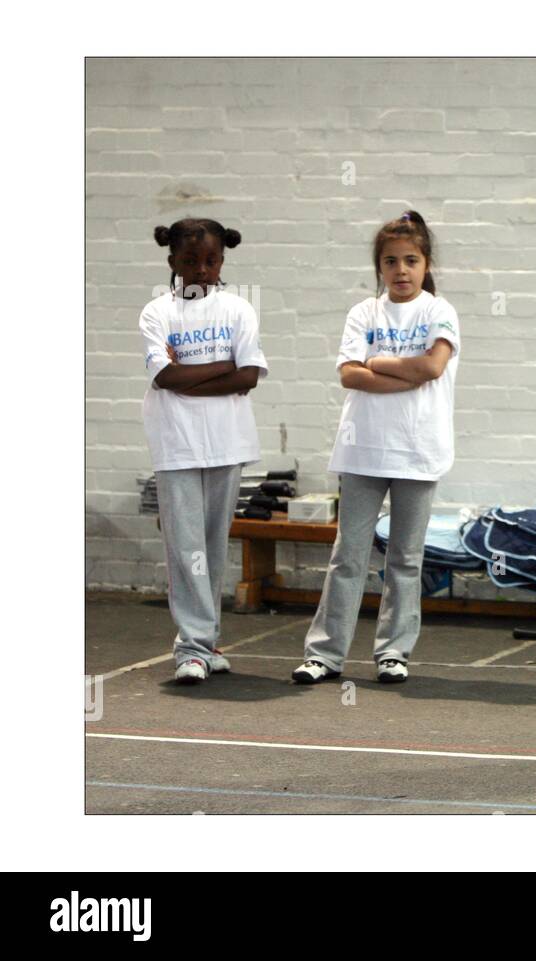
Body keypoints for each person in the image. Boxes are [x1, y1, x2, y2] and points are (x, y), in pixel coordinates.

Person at [292, 210, 460, 685]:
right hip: (362, 449)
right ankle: (325, 653)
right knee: (348, 555)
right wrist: (402, 373)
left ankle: (393, 651)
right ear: (379, 267)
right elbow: (349, 375)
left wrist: (379, 362)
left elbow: (432, 368)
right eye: (391, 261)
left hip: (417, 451)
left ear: (426, 264)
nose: (401, 270)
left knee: (405, 559)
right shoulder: (363, 313)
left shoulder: (439, 311)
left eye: (411, 260)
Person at [140, 218, 268, 684]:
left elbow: (248, 377)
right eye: (190, 261)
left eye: (210, 260)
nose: (201, 269)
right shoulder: (157, 313)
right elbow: (165, 379)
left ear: (222, 261)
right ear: (172, 261)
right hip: (175, 443)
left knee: (212, 545)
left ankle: (206, 642)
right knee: (184, 546)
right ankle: (190, 648)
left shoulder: (238, 310)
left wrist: (188, 376)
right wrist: (222, 367)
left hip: (226, 442)